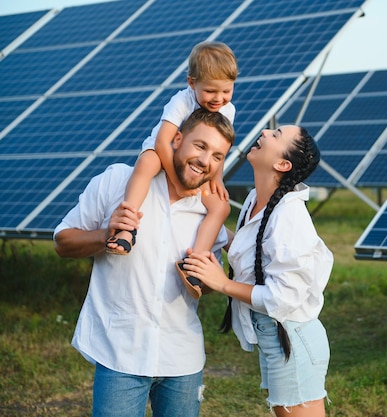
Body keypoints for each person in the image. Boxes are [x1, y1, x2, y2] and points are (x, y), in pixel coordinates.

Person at [53, 109, 235, 417]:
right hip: (120, 354)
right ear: (177, 139)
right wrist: (104, 236)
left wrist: (211, 280)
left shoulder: (211, 213)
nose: (206, 161)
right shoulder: (119, 182)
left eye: (218, 156)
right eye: (200, 146)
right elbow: (63, 242)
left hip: (183, 361)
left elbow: (206, 286)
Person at [180, 125, 333, 417]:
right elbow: (257, 254)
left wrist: (222, 283)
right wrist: (217, 229)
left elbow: (284, 297)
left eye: (276, 134)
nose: (264, 132)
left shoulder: (289, 216)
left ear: (282, 164)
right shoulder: (255, 200)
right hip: (276, 334)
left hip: (293, 337)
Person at [106, 41, 237, 273]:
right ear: (191, 83)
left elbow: (220, 149)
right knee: (146, 163)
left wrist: (217, 178)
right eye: (210, 91)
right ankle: (127, 229)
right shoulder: (181, 101)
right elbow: (162, 142)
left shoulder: (228, 110)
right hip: (164, 152)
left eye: (226, 91)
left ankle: (195, 261)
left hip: (196, 163)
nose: (219, 98)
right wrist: (177, 181)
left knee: (220, 207)